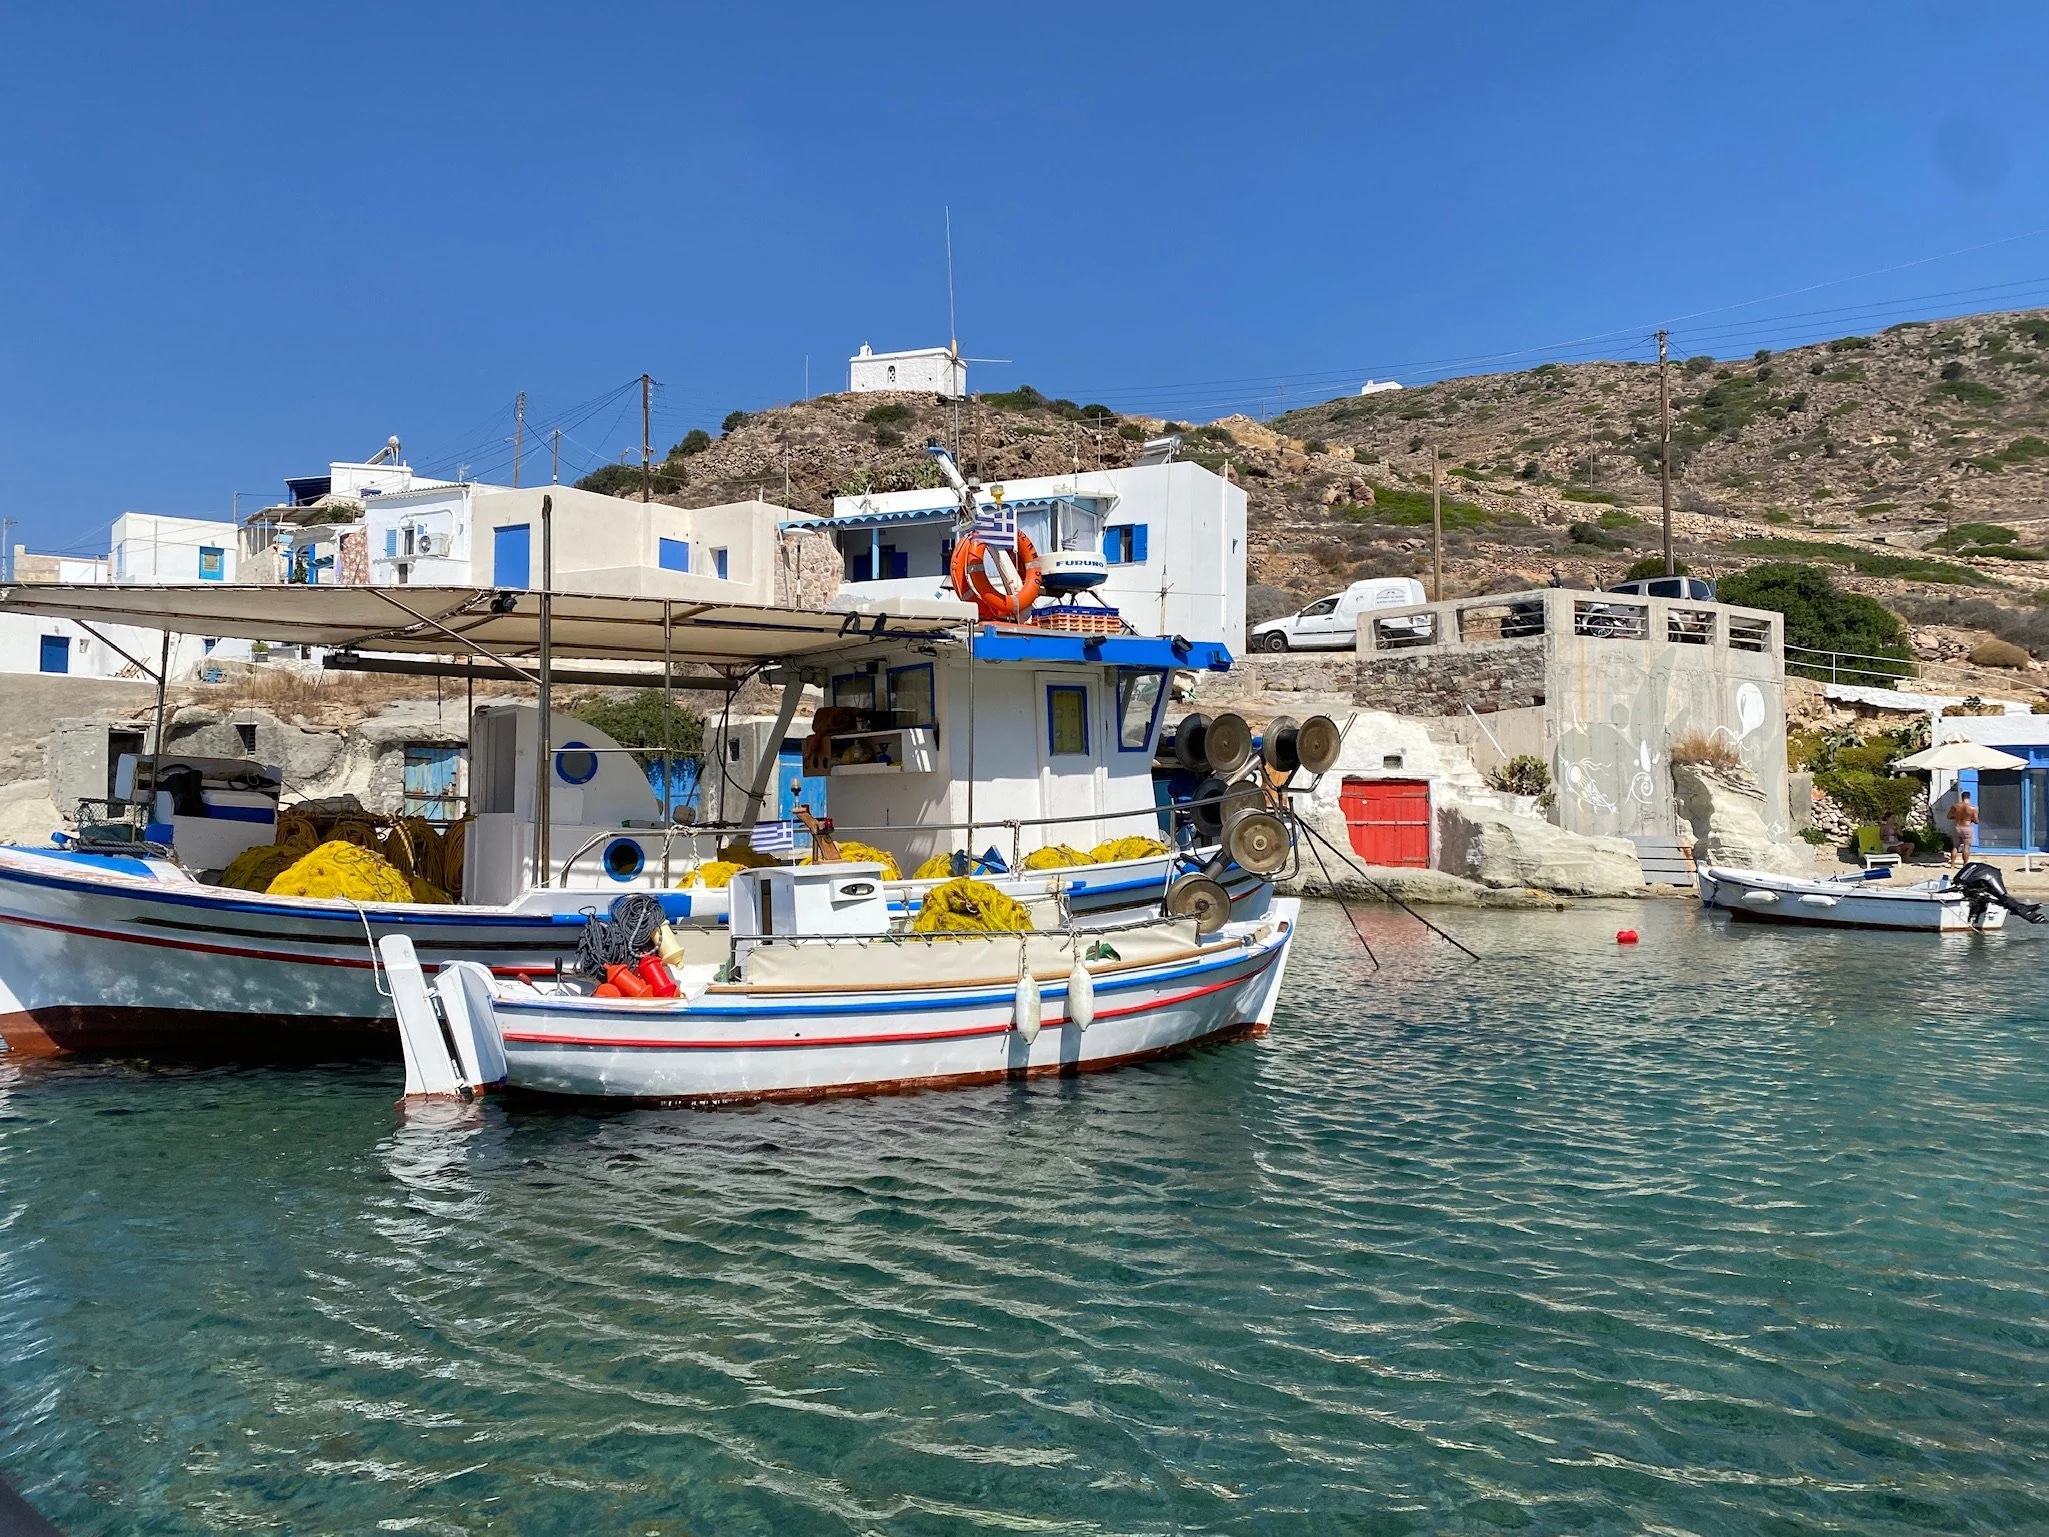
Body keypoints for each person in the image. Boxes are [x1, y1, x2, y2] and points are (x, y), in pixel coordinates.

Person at [1945, 790, 1979, 867]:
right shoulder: (1973, 808)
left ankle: (1952, 864)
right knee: (1966, 847)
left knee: (1955, 846)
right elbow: (1977, 821)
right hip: (1967, 827)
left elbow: (1948, 816)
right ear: (1969, 798)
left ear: (1962, 797)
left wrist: (1957, 817)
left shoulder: (1955, 806)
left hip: (1958, 827)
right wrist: (1971, 819)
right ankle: (1965, 864)